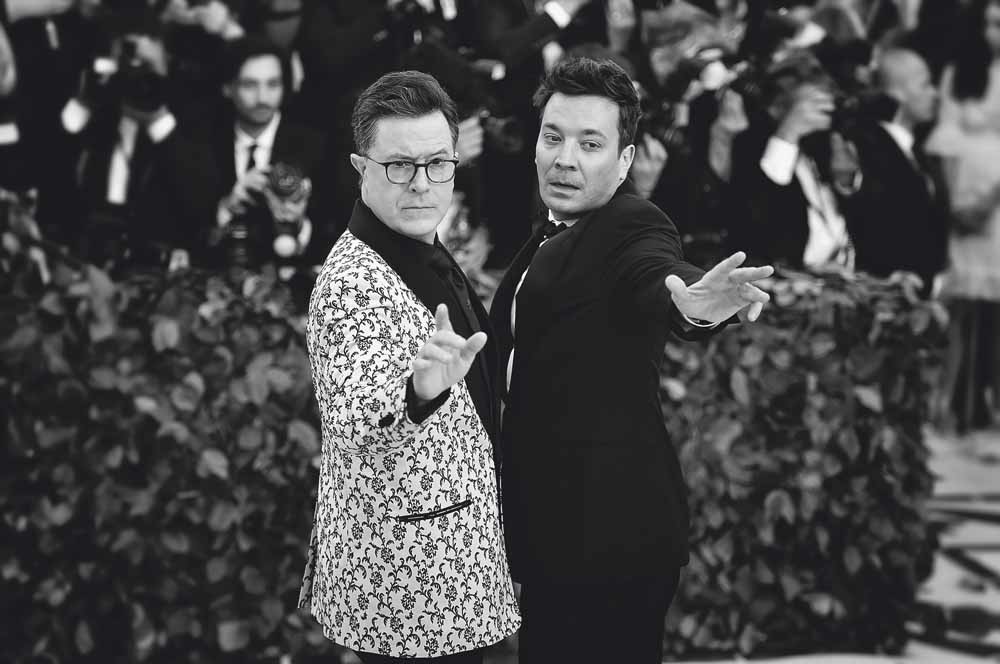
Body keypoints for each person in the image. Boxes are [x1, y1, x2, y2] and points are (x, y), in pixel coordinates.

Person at [490, 57, 773, 664]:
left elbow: (657, 274)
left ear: (624, 161)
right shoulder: (548, 227)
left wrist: (696, 303)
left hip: (612, 538)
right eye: (553, 137)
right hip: (557, 532)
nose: (565, 158)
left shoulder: (632, 224)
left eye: (590, 144)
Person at [298, 70, 520, 664]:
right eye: (399, 166)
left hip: (455, 570)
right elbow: (353, 418)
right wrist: (417, 393)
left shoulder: (418, 243)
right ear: (360, 169)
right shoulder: (351, 281)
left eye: (437, 164)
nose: (421, 184)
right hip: (408, 587)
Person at [925, 0, 1000, 430]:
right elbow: (945, 138)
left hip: (996, 202)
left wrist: (990, 201)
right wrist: (953, 204)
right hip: (963, 193)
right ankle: (956, 404)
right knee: (963, 308)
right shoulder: (960, 72)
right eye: (990, 23)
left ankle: (986, 402)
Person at [835, 47, 949, 298]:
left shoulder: (918, 151)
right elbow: (878, 225)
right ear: (898, 93)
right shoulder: (869, 149)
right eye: (925, 85)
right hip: (888, 293)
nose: (935, 94)